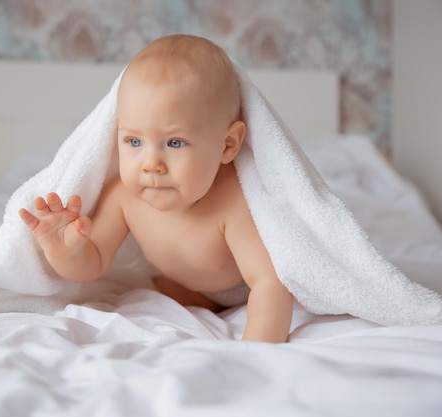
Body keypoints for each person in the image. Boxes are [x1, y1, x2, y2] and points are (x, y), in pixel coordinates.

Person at [19, 34, 293, 343]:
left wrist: (257, 350)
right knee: (155, 295)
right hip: (186, 288)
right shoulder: (124, 196)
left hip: (244, 288)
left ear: (227, 145)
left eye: (175, 142)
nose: (151, 164)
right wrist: (65, 250)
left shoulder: (232, 201)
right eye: (134, 141)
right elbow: (92, 262)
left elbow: (268, 282)